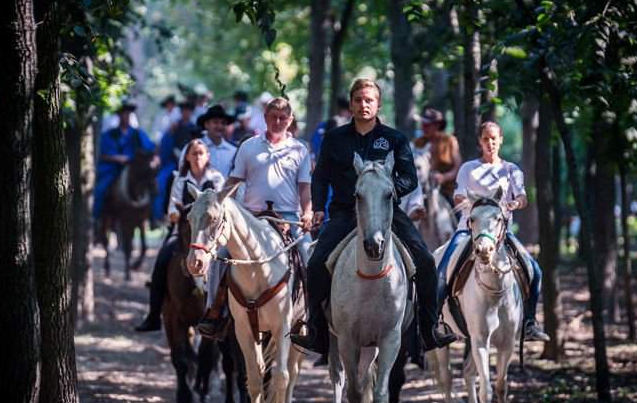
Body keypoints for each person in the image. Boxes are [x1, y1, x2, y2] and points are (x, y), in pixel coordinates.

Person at [290, 78, 455, 354]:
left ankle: (429, 330)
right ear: (352, 104)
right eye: (358, 100)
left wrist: (386, 191)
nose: (363, 105)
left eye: (369, 100)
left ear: (378, 104)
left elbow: (410, 178)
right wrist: (318, 207)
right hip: (344, 213)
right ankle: (315, 331)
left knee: (425, 261)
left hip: (386, 213)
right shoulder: (334, 139)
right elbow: (320, 177)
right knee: (317, 263)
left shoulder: (395, 139)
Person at [197, 97, 313, 337]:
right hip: (252, 217)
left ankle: (310, 317)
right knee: (221, 256)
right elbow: (234, 180)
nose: (278, 122)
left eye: (283, 118)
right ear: (265, 118)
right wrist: (218, 201)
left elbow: (304, 187)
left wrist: (308, 211)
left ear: (290, 120)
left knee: (307, 254)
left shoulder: (300, 149)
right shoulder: (249, 146)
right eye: (273, 117)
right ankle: (214, 310)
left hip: (288, 217)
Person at [437, 120, 550, 341]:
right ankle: (435, 323)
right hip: (468, 230)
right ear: (480, 141)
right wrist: (468, 201)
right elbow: (458, 195)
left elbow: (522, 197)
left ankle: (529, 322)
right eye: (486, 139)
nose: (490, 143)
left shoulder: (511, 170)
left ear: (500, 140)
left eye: (494, 139)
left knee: (535, 270)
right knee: (441, 271)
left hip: (501, 232)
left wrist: (515, 204)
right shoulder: (468, 168)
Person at [135, 139, 225, 332]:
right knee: (162, 261)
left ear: (207, 156)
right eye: (194, 153)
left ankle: (228, 315)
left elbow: (222, 207)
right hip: (182, 232)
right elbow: (172, 212)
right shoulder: (180, 179)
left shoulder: (217, 178)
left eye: (201, 153)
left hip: (210, 236)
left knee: (230, 265)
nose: (198, 157)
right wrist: (191, 212)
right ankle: (153, 315)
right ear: (187, 157)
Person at [93, 102, 157, 225]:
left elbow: (149, 148)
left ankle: (153, 218)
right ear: (119, 115)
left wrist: (153, 157)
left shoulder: (138, 133)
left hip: (135, 167)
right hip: (114, 168)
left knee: (152, 186)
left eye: (128, 113)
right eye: (124, 113)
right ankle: (97, 219)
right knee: (101, 188)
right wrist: (117, 158)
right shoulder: (110, 134)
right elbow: (104, 154)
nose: (126, 116)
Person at [413, 107, 462, 203]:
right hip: (421, 191)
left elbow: (458, 167)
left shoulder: (449, 141)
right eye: (423, 124)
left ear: (437, 125)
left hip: (447, 191)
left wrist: (444, 177)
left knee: (458, 214)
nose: (423, 127)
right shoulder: (418, 143)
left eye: (427, 125)